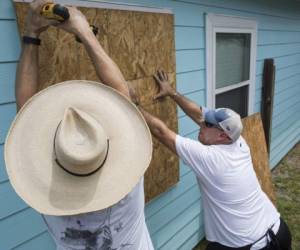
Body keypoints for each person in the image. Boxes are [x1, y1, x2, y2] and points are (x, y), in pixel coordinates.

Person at [6, 1, 154, 249]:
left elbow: (25, 112)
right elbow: (122, 95)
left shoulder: (48, 200)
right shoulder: (128, 186)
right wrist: (85, 33)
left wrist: (31, 33)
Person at [131, 70, 292, 250]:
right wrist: (172, 93)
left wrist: (133, 107)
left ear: (222, 135)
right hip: (278, 230)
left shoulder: (212, 159)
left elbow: (162, 132)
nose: (201, 123)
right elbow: (198, 114)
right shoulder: (238, 141)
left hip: (248, 245)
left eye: (207, 124)